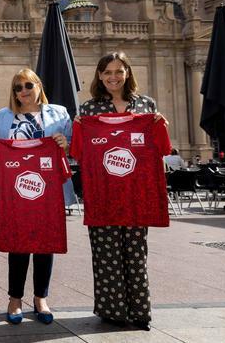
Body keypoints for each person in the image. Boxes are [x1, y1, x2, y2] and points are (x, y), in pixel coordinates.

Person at [78, 52, 164, 331]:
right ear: (99, 76)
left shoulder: (145, 106)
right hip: (102, 194)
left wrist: (158, 124)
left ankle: (140, 311)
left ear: (128, 72)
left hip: (136, 194)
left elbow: (161, 148)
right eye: (107, 72)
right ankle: (111, 310)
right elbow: (79, 152)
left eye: (118, 71)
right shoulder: (89, 110)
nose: (113, 77)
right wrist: (77, 129)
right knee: (105, 253)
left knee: (136, 252)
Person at [0, 68, 71, 324]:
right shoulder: (2, 117)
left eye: (27, 85)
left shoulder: (59, 113)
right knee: (17, 244)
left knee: (45, 244)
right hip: (15, 193)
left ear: (38, 85)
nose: (23, 91)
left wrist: (64, 142)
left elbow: (73, 144)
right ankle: (14, 299)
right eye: (17, 87)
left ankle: (40, 298)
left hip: (48, 192)